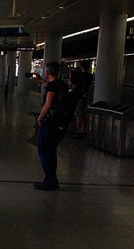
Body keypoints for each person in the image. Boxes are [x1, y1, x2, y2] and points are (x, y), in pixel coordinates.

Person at [32, 61, 68, 190]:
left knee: (43, 150)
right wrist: (42, 81)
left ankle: (50, 180)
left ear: (48, 72)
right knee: (51, 151)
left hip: (49, 123)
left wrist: (40, 118)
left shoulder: (52, 87)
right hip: (60, 122)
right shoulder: (61, 84)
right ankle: (51, 180)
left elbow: (48, 104)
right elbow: (53, 87)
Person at [74, 61, 93, 137]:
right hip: (86, 96)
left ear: (81, 67)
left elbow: (72, 83)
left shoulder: (79, 75)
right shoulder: (90, 76)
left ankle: (78, 132)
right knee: (84, 115)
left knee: (79, 115)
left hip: (79, 97)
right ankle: (83, 131)